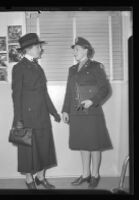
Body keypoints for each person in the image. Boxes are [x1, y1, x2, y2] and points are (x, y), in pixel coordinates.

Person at [62, 37, 113, 188]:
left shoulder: (97, 67)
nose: (74, 52)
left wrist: (92, 101)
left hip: (92, 112)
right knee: (83, 143)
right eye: (73, 50)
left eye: (76, 49)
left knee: (94, 145)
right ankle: (85, 174)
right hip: (76, 112)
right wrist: (65, 110)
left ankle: (95, 175)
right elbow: (68, 93)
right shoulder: (71, 69)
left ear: (86, 50)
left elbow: (105, 89)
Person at [11, 33, 61, 189]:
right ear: (29, 49)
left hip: (42, 115)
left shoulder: (38, 67)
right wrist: (18, 119)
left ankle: (40, 177)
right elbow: (16, 95)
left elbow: (44, 93)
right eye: (38, 46)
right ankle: (28, 179)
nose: (41, 49)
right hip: (27, 116)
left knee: (44, 146)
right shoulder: (18, 68)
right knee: (27, 149)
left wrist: (53, 112)